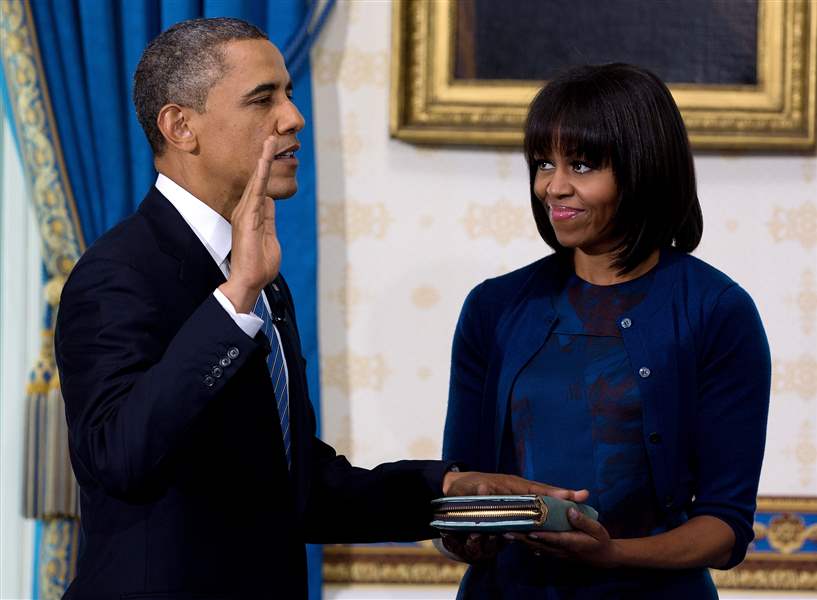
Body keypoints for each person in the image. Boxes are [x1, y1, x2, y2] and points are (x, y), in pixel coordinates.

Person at [54, 18, 580, 600]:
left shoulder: (257, 276)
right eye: (263, 99)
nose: (293, 118)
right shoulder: (118, 273)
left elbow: (298, 489)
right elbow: (120, 458)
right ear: (181, 126)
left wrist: (448, 489)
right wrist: (235, 301)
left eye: (289, 93)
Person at [441, 63, 771, 598]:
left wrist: (610, 553)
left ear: (644, 169)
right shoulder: (494, 306)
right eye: (544, 163)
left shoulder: (716, 310)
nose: (554, 186)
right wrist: (462, 534)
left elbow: (724, 528)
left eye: (583, 164)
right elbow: (461, 482)